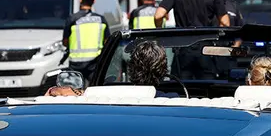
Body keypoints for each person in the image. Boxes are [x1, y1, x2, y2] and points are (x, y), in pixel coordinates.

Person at [47, 40, 177, 98]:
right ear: (163, 70)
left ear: (131, 69)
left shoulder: (107, 98)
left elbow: (56, 92)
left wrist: (58, 90)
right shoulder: (175, 100)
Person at [62, 0, 111, 83]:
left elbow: (65, 42)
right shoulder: (101, 19)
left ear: (80, 0)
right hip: (95, 64)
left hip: (75, 64)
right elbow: (107, 41)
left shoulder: (72, 19)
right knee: (95, 92)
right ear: (94, 1)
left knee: (74, 92)